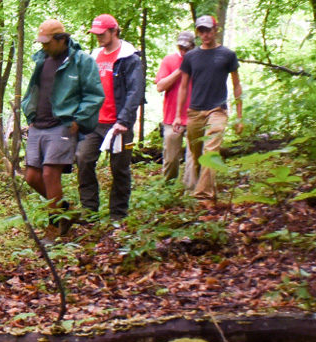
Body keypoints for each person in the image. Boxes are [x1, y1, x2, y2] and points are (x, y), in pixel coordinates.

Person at [19, 19, 106, 224]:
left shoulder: (82, 61)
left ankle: (57, 224)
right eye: (41, 43)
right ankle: (63, 209)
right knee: (32, 177)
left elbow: (95, 95)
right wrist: (30, 115)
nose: (43, 46)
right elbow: (34, 90)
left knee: (50, 173)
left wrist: (79, 120)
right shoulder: (42, 59)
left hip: (62, 125)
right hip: (38, 124)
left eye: (47, 42)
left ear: (61, 39)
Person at [77, 14, 145, 221]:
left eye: (101, 33)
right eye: (95, 33)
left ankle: (118, 214)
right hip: (95, 122)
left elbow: (135, 92)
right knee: (83, 159)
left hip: (118, 123)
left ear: (114, 31)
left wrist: (124, 120)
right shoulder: (94, 56)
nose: (97, 37)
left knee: (119, 169)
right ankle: (89, 210)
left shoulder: (129, 58)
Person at [175, 16, 244, 206]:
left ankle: (203, 197)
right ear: (198, 33)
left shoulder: (227, 55)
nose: (205, 35)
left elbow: (237, 85)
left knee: (210, 149)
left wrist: (239, 116)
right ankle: (207, 191)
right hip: (195, 111)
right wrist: (177, 115)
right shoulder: (191, 57)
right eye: (201, 31)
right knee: (197, 156)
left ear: (216, 29)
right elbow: (183, 87)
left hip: (218, 110)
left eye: (208, 30)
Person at [156, 31, 195, 187]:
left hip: (194, 116)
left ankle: (190, 192)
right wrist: (180, 70)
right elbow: (160, 86)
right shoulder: (169, 60)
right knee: (171, 158)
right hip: (172, 118)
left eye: (187, 48)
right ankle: (168, 188)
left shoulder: (200, 62)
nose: (183, 51)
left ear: (193, 46)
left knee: (193, 158)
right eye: (181, 47)